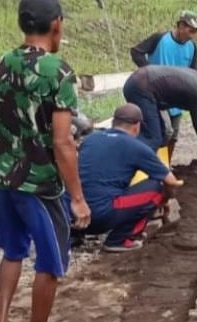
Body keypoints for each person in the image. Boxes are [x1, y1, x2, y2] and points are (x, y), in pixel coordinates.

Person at [0, 0, 91, 322]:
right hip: (39, 184)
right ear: (57, 23)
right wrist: (77, 197)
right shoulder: (57, 71)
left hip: (3, 178)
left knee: (13, 251)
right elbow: (63, 142)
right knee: (51, 260)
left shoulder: (1, 63)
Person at [71, 103, 182, 253]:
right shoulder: (137, 147)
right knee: (157, 188)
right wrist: (165, 199)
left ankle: (74, 235)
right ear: (137, 126)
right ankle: (120, 239)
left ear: (113, 122)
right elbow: (171, 181)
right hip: (100, 217)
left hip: (75, 214)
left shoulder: (90, 140)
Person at [129, 10, 197, 152]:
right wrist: (148, 72)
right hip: (156, 95)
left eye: (196, 31)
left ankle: (167, 166)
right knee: (158, 133)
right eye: (191, 30)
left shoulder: (192, 48)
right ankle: (149, 161)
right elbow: (136, 52)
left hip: (177, 98)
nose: (193, 35)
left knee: (173, 135)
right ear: (181, 25)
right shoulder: (160, 39)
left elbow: (195, 73)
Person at [122, 65, 197, 160]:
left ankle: (153, 164)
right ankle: (127, 159)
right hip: (141, 88)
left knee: (163, 134)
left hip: (142, 82)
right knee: (153, 137)